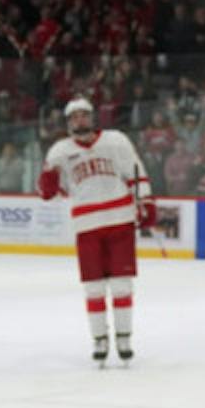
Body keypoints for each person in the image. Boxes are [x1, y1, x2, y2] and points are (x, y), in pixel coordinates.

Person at [39, 98, 154, 366]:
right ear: (68, 123)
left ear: (93, 117)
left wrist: (145, 201)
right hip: (87, 225)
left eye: (84, 115)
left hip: (120, 219)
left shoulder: (116, 141)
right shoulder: (59, 151)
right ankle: (99, 339)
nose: (80, 120)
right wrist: (47, 182)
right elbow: (51, 192)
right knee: (93, 288)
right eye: (75, 117)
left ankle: (124, 338)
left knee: (122, 284)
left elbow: (135, 172)